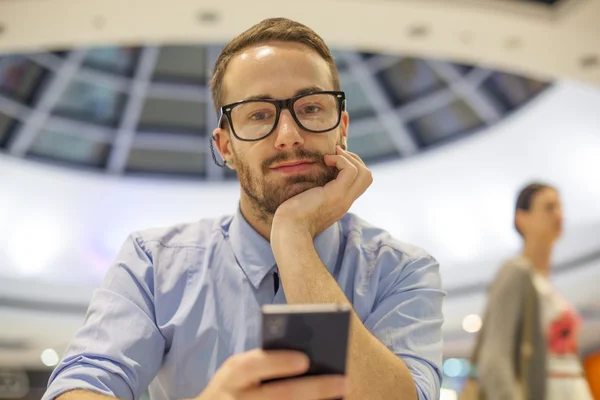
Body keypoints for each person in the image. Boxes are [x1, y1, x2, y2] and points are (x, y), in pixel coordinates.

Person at [42, 17, 444, 400]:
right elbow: (78, 387)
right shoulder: (153, 265)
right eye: (258, 114)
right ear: (225, 146)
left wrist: (293, 239)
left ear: (341, 126)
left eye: (310, 108)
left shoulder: (401, 269)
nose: (289, 136)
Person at [475, 183, 594, 400]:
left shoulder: (546, 285)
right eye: (549, 207)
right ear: (521, 218)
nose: (559, 215)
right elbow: (495, 359)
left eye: (559, 207)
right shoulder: (515, 272)